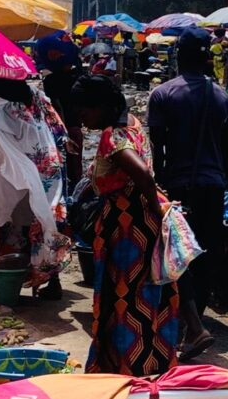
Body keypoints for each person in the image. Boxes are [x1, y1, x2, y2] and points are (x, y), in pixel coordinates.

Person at [149, 27, 228, 362]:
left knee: (176, 256)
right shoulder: (221, 97)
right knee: (204, 255)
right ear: (207, 58)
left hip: (176, 189)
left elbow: (158, 151)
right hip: (214, 188)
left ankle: (188, 329)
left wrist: (158, 190)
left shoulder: (163, 94)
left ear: (178, 56)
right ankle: (195, 324)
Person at [68, 75, 177, 376]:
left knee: (124, 296)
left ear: (102, 106)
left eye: (84, 110)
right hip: (140, 221)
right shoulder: (133, 123)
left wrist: (154, 210)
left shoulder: (113, 136)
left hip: (128, 226)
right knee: (147, 293)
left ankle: (124, 367)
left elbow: (143, 174)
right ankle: (148, 363)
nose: (81, 117)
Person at [0, 73, 70, 298]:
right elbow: (59, 130)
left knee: (13, 223)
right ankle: (50, 279)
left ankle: (8, 280)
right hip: (46, 167)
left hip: (19, 172)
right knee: (43, 220)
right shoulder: (36, 95)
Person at [36, 31, 83, 190]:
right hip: (71, 127)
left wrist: (63, 132)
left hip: (62, 128)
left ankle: (69, 191)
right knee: (74, 166)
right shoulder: (78, 77)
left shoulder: (52, 80)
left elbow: (56, 107)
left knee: (64, 165)